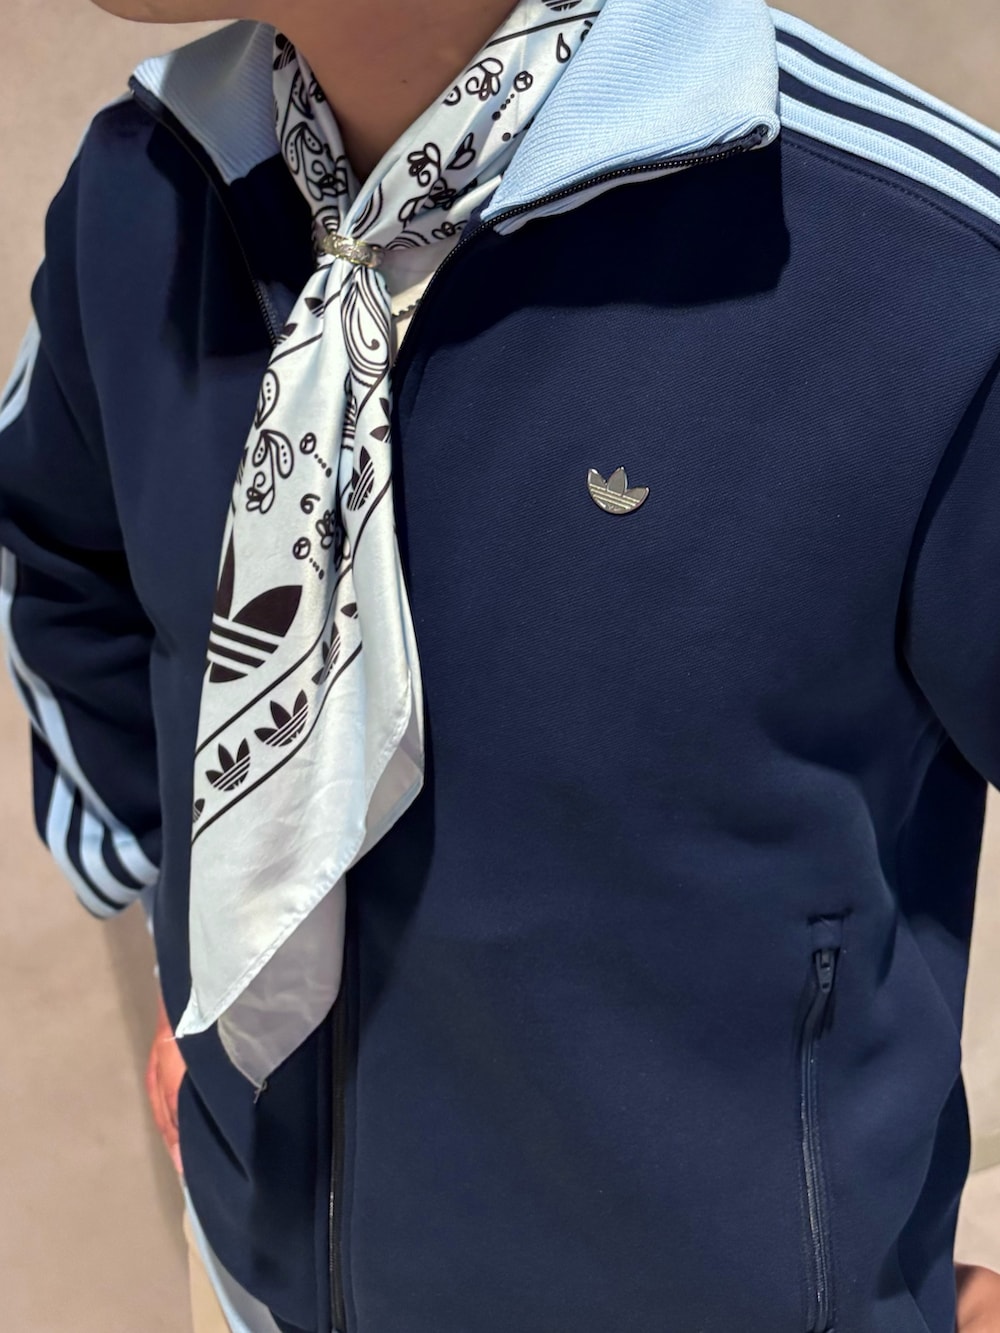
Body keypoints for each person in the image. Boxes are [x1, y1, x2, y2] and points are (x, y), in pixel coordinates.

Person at [2, 0, 1000, 1327]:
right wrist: (201, 937)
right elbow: (60, 556)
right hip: (255, 1282)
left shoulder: (917, 263)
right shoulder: (144, 196)